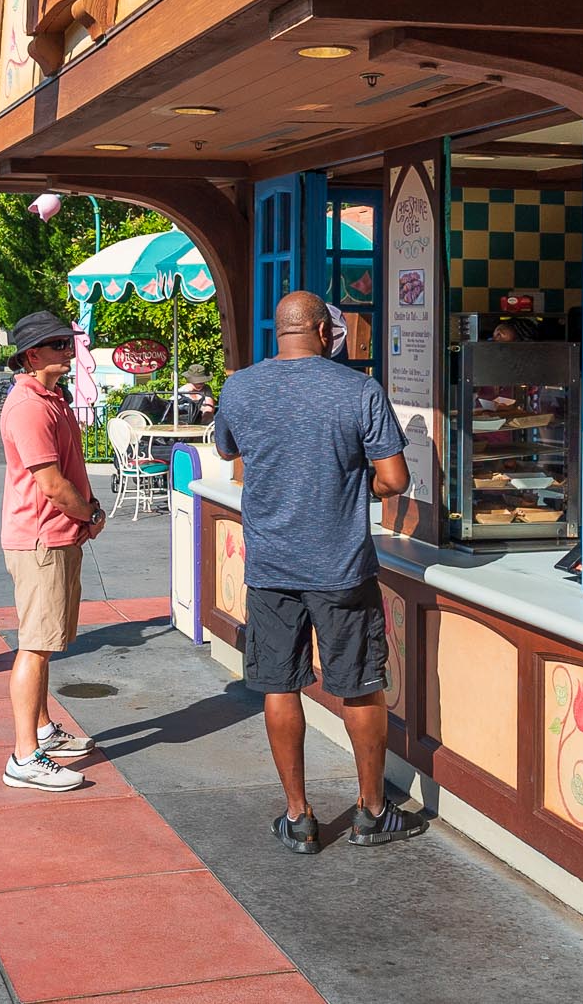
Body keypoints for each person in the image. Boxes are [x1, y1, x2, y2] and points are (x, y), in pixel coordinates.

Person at [212, 289, 416, 853]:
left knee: (280, 685)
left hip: (272, 565)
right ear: (326, 332)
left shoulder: (241, 387)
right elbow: (395, 480)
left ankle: (299, 817)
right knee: (359, 687)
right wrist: (353, 486)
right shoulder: (358, 389)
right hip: (341, 566)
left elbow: (232, 453)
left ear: (279, 332)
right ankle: (372, 811)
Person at [0, 310, 105, 792]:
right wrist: (89, 514)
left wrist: (85, 513)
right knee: (34, 646)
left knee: (44, 642)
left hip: (56, 535)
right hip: (41, 537)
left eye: (68, 342)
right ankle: (23, 758)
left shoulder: (50, 398)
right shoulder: (30, 406)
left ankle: (40, 730)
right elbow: (51, 484)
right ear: (32, 354)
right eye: (58, 344)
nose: (68, 350)